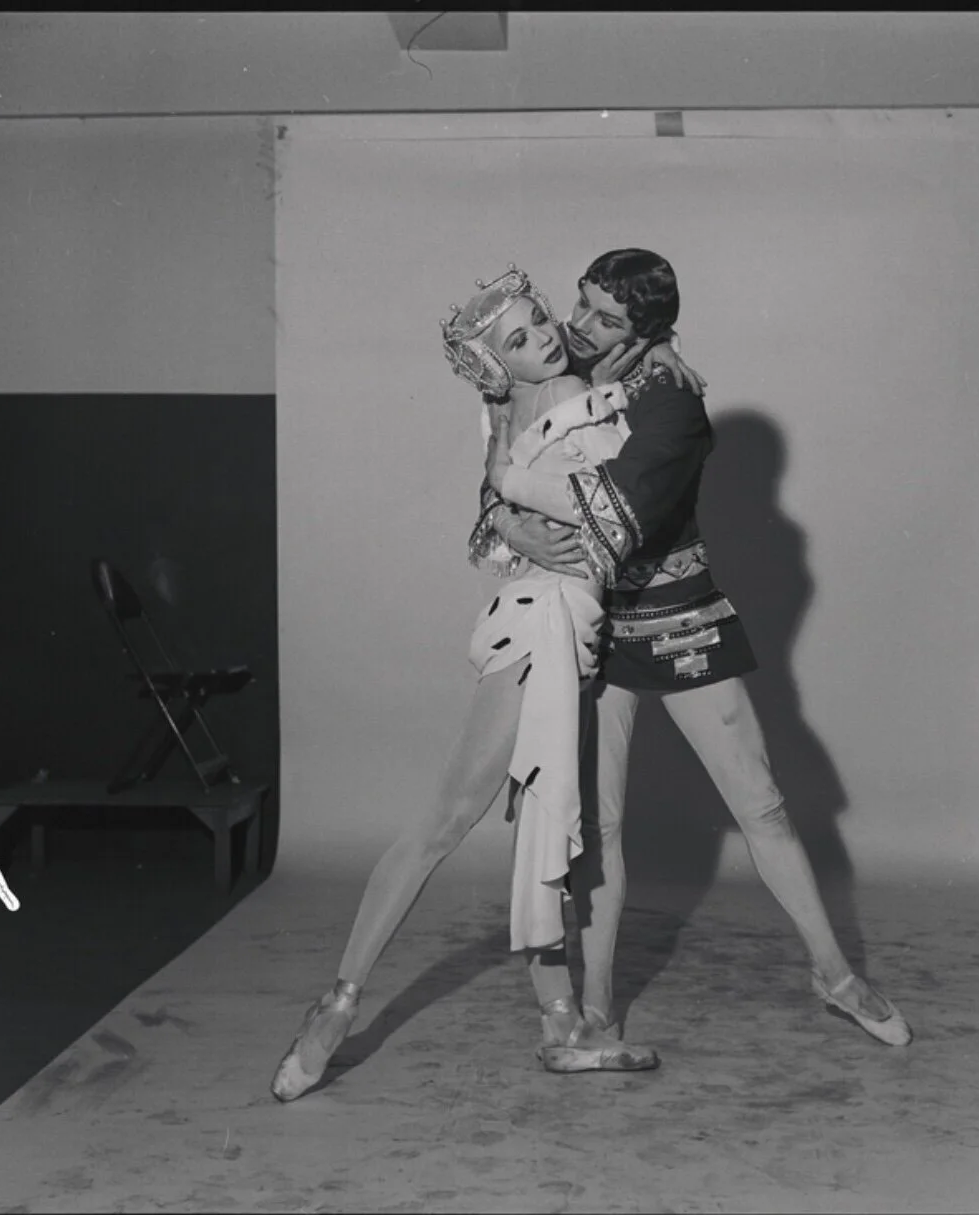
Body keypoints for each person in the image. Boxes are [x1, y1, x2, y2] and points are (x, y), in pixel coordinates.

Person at [474, 248, 913, 1048]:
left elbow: (602, 510)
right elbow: (504, 396)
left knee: (764, 805)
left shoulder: (673, 402)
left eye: (607, 318)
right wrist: (501, 510)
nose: (579, 327)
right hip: (593, 621)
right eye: (581, 305)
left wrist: (509, 488)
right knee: (596, 830)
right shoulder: (586, 349)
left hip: (677, 617)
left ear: (649, 329)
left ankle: (835, 974)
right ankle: (599, 1002)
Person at [270, 265, 677, 1104]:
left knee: (535, 827)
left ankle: (559, 1022)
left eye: (538, 320)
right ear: (502, 367)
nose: (546, 338)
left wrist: (515, 509)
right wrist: (532, 515)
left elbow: (499, 526)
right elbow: (578, 507)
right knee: (451, 819)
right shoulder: (567, 388)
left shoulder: (512, 408)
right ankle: (337, 1005)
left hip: (552, 617)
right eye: (520, 340)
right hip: (543, 623)